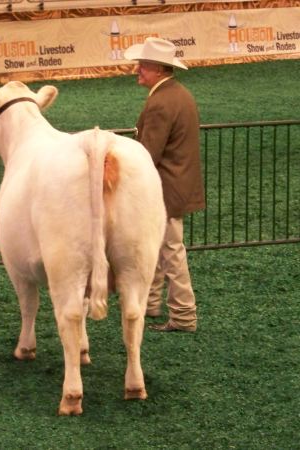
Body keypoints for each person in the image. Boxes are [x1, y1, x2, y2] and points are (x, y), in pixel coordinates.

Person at [124, 37, 205, 332]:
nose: (137, 70)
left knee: (171, 248)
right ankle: (151, 303)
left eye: (143, 66)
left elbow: (147, 153)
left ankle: (184, 315)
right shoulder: (180, 94)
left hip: (165, 188)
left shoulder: (160, 102)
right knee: (159, 245)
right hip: (178, 183)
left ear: (158, 68)